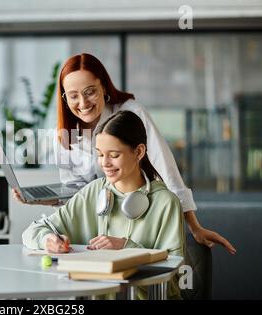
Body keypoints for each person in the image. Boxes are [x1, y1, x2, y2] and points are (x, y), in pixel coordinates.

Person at [15, 53, 236, 255]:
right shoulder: (65, 132)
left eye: (90, 91)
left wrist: (194, 226)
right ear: (64, 98)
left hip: (140, 211)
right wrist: (43, 202)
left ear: (103, 86)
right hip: (98, 221)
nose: (82, 103)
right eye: (73, 96)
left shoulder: (130, 113)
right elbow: (75, 193)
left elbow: (165, 168)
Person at [22, 110, 185, 299]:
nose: (104, 163)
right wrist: (48, 239)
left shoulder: (166, 203)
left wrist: (127, 248)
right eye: (100, 155)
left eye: (114, 155)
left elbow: (171, 286)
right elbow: (31, 232)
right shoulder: (94, 192)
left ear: (139, 152)